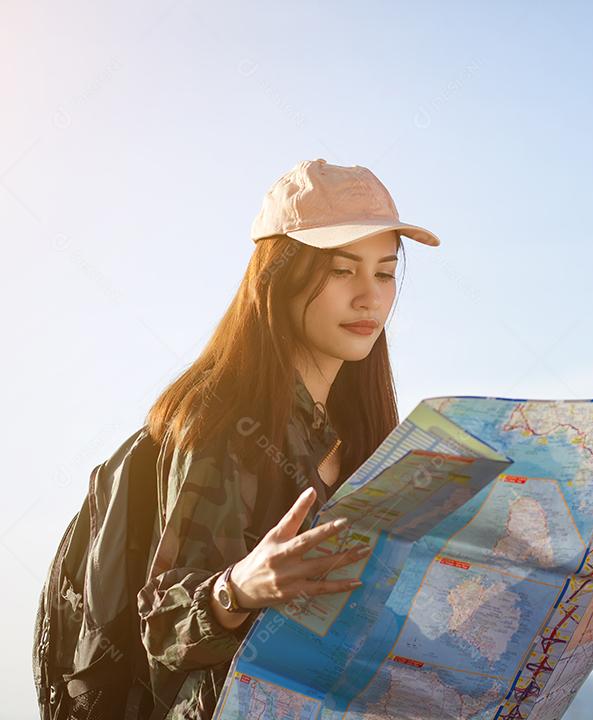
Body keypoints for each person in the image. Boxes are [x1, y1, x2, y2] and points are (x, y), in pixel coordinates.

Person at [133, 158, 442, 718]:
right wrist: (239, 588)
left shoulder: (367, 435)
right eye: (342, 270)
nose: (369, 297)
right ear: (280, 276)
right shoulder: (221, 422)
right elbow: (158, 624)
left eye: (385, 272)